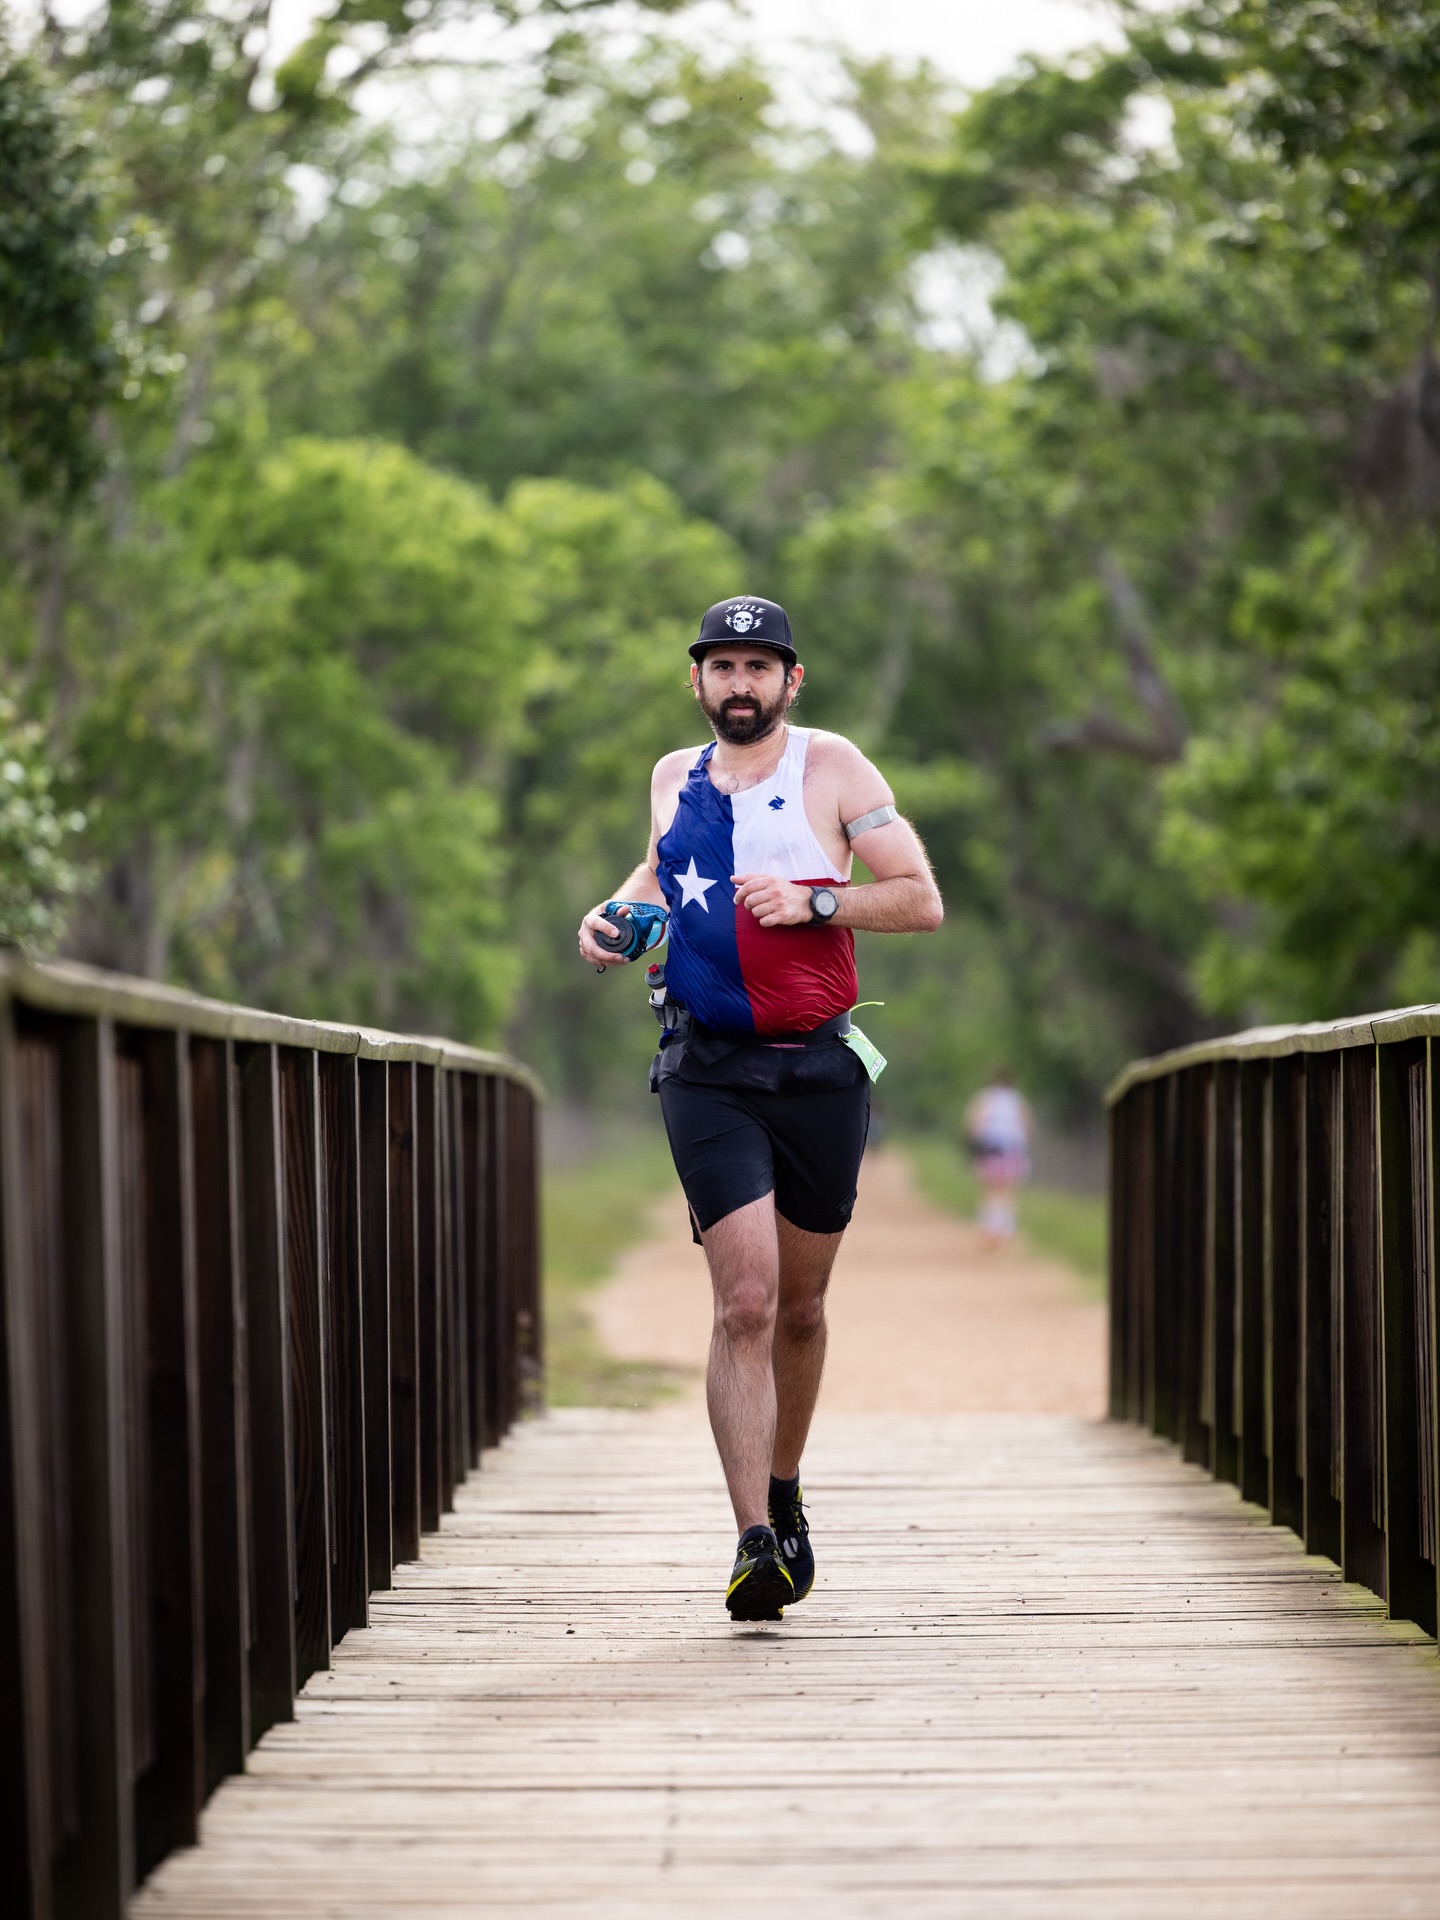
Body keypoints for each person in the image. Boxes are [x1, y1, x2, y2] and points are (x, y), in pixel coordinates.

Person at [577, 595, 943, 1620]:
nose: (740, 685)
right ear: (694, 680)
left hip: (819, 1069)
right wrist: (615, 917)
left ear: (793, 681)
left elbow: (920, 897)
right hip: (708, 1068)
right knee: (743, 1298)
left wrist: (821, 898)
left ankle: (784, 1494)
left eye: (759, 667)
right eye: (722, 666)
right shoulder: (673, 776)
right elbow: (660, 873)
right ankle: (750, 1543)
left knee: (801, 1307)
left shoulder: (834, 770)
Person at [965, 1070, 1032, 1249]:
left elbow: (974, 1125)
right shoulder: (1017, 1100)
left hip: (990, 1150)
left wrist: (975, 1147)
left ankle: (990, 1229)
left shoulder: (985, 1098)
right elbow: (1026, 1127)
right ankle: (1007, 1230)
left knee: (989, 1191)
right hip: (1012, 1151)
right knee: (1009, 1192)